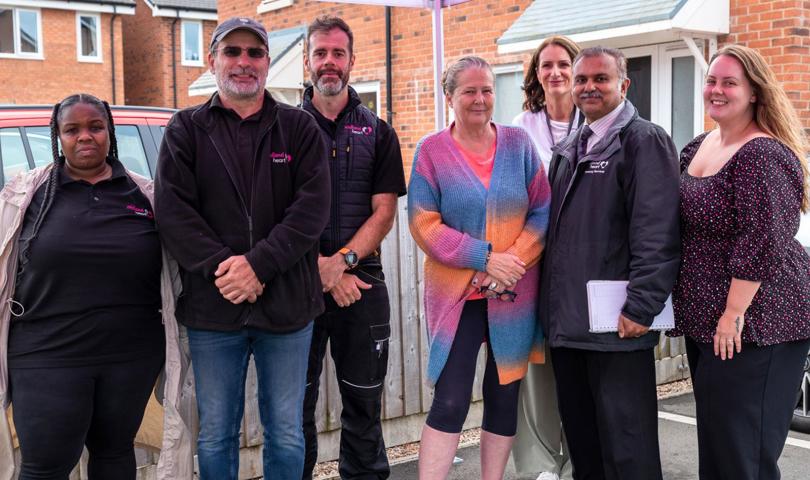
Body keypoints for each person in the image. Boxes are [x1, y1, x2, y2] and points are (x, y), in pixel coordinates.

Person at [154, 17, 330, 480]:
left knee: (287, 433)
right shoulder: (186, 129)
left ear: (268, 63)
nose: (243, 62)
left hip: (289, 309)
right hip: (214, 310)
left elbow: (311, 210)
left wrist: (259, 266)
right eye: (232, 52)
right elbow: (174, 213)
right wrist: (227, 271)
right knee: (215, 434)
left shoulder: (300, 128)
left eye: (255, 53)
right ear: (213, 61)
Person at [0, 93, 189, 479]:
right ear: (58, 136)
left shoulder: (145, 195)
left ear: (109, 132)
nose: (85, 136)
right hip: (46, 354)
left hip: (129, 355)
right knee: (44, 466)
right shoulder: (26, 196)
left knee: (115, 455)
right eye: (72, 129)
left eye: (95, 127)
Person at [670, 44, 810, 480]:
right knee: (718, 444)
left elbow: (764, 239)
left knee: (743, 453)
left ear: (754, 92)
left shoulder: (762, 154)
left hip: (757, 324)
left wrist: (732, 314)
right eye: (712, 80)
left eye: (730, 82)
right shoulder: (698, 147)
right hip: (707, 322)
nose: (716, 89)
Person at [539, 46, 680, 480]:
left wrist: (641, 307)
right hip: (570, 327)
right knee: (586, 449)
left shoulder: (643, 140)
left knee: (628, 450)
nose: (589, 87)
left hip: (618, 327)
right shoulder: (569, 148)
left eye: (600, 78)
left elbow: (657, 231)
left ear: (624, 84)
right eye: (581, 79)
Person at [408, 55, 551, 480]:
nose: (479, 98)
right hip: (458, 295)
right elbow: (422, 222)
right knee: (450, 399)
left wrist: (513, 262)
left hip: (514, 294)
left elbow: (542, 211)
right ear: (449, 95)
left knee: (504, 394)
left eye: (486, 89)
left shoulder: (518, 144)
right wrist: (484, 258)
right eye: (469, 90)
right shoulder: (432, 151)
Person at [300, 16, 406, 480]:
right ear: (306, 61)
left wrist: (341, 265)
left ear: (351, 61)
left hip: (361, 282)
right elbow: (271, 215)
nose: (329, 62)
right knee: (292, 409)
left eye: (337, 53)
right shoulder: (282, 128)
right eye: (320, 53)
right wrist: (318, 270)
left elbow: (383, 212)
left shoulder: (378, 132)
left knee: (364, 403)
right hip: (296, 284)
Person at [511, 35, 581, 480]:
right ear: (536, 74)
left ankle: (580, 460)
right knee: (534, 366)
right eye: (546, 65)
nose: (554, 72)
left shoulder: (596, 123)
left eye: (563, 64)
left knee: (578, 365)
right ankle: (539, 466)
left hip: (581, 265)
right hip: (533, 262)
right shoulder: (520, 128)